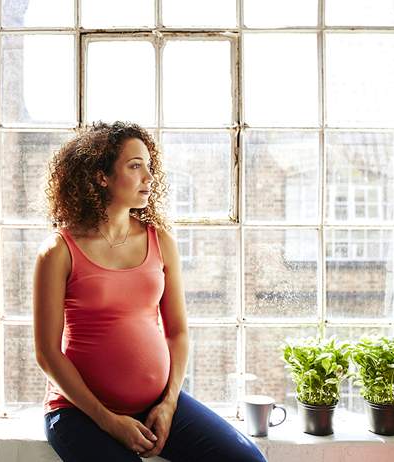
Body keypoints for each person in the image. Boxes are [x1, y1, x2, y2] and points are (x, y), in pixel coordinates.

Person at [32, 121, 266, 462]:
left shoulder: (160, 240)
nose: (149, 177)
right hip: (78, 413)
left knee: (249, 461)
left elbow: (178, 332)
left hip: (157, 404)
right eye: (135, 166)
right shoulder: (58, 251)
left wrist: (169, 404)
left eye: (149, 166)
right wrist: (110, 422)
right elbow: (47, 354)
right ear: (102, 176)